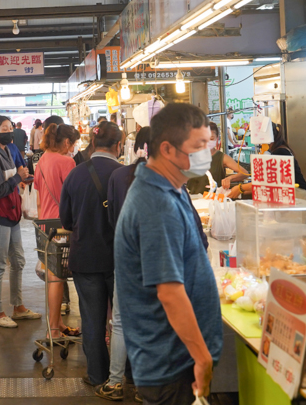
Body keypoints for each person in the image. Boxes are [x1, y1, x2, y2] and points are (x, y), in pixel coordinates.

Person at [114, 103, 222, 404]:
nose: (207, 152)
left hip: (175, 359)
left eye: (208, 144)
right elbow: (169, 293)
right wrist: (202, 358)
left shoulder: (170, 188)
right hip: (172, 365)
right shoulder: (155, 204)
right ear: (168, 149)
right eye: (198, 145)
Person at [59, 121, 125, 388]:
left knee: (92, 319)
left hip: (85, 257)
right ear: (119, 146)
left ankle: (97, 375)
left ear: (93, 143)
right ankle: (126, 375)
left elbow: (66, 219)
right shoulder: (124, 174)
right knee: (122, 321)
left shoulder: (75, 174)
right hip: (118, 258)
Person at [96, 128, 152, 400]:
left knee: (119, 321)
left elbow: (112, 217)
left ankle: (115, 382)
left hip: (127, 256)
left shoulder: (118, 175)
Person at [0, 115, 40, 328]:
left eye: (10, 127)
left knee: (18, 262)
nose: (9, 131)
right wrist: (18, 177)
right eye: (3, 128)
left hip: (12, 216)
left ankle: (18, 306)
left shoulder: (5, 151)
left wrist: (19, 179)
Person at [33, 123, 81, 339]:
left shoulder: (42, 160)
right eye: (74, 143)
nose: (74, 148)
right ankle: (53, 330)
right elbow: (73, 197)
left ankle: (57, 323)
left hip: (45, 225)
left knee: (53, 277)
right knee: (57, 279)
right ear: (67, 142)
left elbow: (39, 197)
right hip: (62, 226)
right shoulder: (67, 161)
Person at [228, 122, 306, 200]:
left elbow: (266, 181)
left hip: (297, 196)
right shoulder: (276, 151)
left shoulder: (280, 152)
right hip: (289, 195)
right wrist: (239, 191)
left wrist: (240, 188)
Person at [186, 122, 249, 195]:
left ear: (217, 138)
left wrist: (230, 178)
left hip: (213, 201)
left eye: (211, 138)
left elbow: (245, 173)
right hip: (192, 200)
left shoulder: (222, 158)